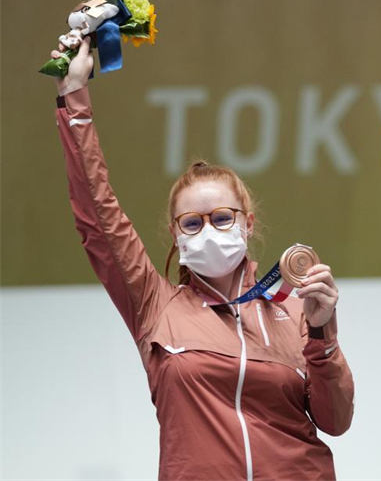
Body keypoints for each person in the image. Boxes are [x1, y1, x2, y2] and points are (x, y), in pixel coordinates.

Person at [49, 36, 355, 480]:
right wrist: (73, 97)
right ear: (176, 235)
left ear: (248, 224)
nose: (208, 230)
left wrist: (323, 333)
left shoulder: (293, 310)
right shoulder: (156, 305)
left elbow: (335, 420)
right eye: (192, 223)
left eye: (222, 218)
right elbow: (98, 216)